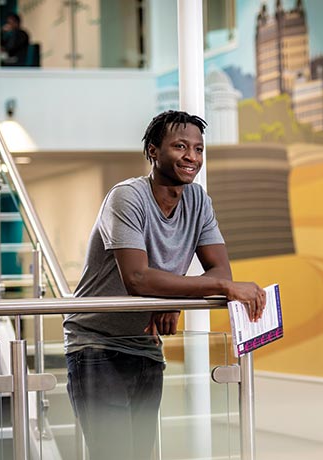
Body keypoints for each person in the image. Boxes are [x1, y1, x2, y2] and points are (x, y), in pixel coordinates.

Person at [63, 110, 266, 459]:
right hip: (95, 345)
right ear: (153, 151)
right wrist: (182, 291)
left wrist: (173, 299)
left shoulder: (198, 200)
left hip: (146, 346)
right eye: (180, 146)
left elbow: (221, 269)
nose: (192, 156)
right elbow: (138, 278)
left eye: (199, 149)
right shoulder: (127, 197)